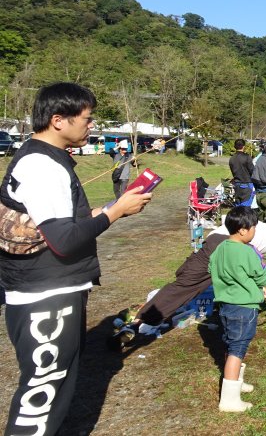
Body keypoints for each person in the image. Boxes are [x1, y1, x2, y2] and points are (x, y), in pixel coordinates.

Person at [0, 82, 152, 436]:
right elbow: (65, 240)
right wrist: (113, 215)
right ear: (58, 120)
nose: (91, 126)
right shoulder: (43, 165)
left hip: (47, 290)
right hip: (45, 297)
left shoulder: (41, 157)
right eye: (87, 119)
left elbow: (58, 223)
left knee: (53, 388)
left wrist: (111, 208)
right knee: (41, 394)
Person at [112, 216, 266, 346]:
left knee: (182, 286)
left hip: (212, 241)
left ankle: (136, 318)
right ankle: (137, 321)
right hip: (225, 246)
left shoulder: (253, 224)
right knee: (184, 290)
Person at [209, 207, 266, 412]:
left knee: (231, 344)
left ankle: (236, 380)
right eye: (254, 228)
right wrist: (262, 277)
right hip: (244, 308)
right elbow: (264, 277)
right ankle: (229, 400)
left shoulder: (219, 248)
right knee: (237, 348)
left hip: (225, 305)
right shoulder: (247, 251)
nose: (255, 232)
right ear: (243, 230)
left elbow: (212, 269)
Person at [229, 138, 255, 206]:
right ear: (243, 146)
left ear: (235, 146)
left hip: (237, 184)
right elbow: (252, 170)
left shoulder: (232, 158)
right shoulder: (247, 157)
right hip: (247, 184)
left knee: (238, 205)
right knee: (246, 207)